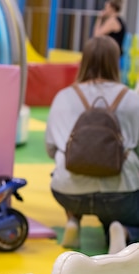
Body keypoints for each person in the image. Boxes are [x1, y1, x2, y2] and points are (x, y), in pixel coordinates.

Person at [45, 35, 139, 254]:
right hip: (121, 195)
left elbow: (51, 148)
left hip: (69, 193)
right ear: (117, 61)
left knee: (60, 170)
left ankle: (73, 220)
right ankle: (122, 230)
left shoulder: (64, 96)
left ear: (83, 60)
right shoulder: (132, 98)